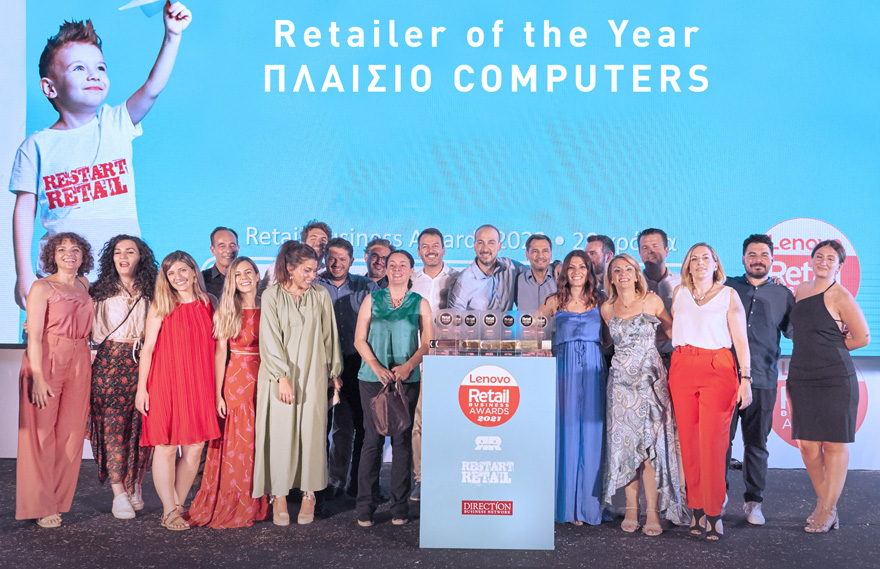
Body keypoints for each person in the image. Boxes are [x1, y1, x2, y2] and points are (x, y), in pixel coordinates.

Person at [11, 3, 192, 310]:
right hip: (62, 281)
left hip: (123, 278)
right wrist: (23, 273)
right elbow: (23, 211)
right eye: (79, 68)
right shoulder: (36, 146)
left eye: (100, 68)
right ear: (49, 87)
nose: (93, 75)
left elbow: (152, 89)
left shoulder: (115, 123)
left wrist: (172, 35)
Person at [252, 241, 343, 526]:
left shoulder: (320, 295)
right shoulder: (271, 296)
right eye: (307, 270)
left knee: (312, 435)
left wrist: (334, 372)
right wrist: (282, 377)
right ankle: (278, 494)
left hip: (314, 374)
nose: (313, 276)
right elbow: (269, 340)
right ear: (290, 268)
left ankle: (309, 494)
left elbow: (329, 335)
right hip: (279, 377)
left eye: (315, 270)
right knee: (280, 435)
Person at [668, 243, 751, 541]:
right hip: (682, 365)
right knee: (689, 443)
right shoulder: (679, 293)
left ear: (716, 264)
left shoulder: (729, 295)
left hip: (717, 367)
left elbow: (740, 339)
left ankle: (714, 511)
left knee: (714, 444)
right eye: (694, 259)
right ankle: (697, 508)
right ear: (687, 266)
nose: (700, 262)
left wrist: (746, 378)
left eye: (706, 258)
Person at [787, 240, 870, 533]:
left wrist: (829, 349)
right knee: (807, 446)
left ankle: (827, 508)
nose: (824, 261)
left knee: (834, 444)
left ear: (839, 265)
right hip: (801, 376)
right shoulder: (800, 290)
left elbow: (863, 338)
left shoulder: (841, 296)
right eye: (819, 256)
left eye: (831, 258)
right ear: (811, 260)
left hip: (834, 378)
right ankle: (825, 502)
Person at [600, 254, 685, 536]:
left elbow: (671, 331)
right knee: (625, 448)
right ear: (611, 277)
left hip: (649, 383)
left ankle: (652, 512)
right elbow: (610, 341)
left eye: (628, 269)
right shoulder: (607, 308)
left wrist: (647, 345)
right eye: (617, 270)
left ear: (637, 274)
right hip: (620, 386)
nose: (623, 274)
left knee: (650, 449)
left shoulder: (652, 301)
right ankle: (631, 509)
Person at [136, 251, 220, 531]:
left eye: (183, 270)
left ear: (194, 271)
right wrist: (141, 389)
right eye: (171, 273)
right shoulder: (161, 304)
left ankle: (178, 505)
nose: (178, 277)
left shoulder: (210, 302)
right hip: (165, 382)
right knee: (166, 446)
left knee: (195, 448)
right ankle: (169, 510)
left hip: (200, 383)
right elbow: (148, 349)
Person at [16, 233, 94, 528]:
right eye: (62, 249)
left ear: (83, 256)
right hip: (48, 358)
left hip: (80, 357)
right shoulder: (41, 286)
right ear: (52, 255)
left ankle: (57, 500)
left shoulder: (84, 284)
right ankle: (40, 504)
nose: (69, 253)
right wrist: (37, 376)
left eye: (75, 249)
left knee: (71, 434)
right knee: (40, 434)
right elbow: (34, 336)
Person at [189, 257, 270, 528]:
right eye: (237, 274)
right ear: (231, 281)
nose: (244, 278)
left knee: (261, 441)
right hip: (238, 380)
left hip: (267, 379)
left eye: (248, 272)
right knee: (240, 443)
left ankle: (260, 502)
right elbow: (219, 353)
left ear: (257, 276)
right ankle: (237, 502)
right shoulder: (227, 309)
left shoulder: (270, 305)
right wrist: (217, 395)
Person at [354, 250, 432, 527]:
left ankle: (400, 507)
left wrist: (409, 366)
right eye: (392, 265)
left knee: (402, 442)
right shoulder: (371, 300)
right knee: (372, 441)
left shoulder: (420, 303)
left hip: (405, 381)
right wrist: (376, 366)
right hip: (372, 379)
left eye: (403, 265)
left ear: (411, 270)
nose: (397, 268)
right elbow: (359, 339)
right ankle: (365, 506)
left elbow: (427, 343)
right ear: (386, 270)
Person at [725, 234, 794, 525]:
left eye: (763, 255)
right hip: (725, 377)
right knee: (721, 443)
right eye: (752, 254)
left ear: (773, 259)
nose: (757, 260)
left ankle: (754, 502)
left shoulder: (783, 294)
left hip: (763, 379)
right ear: (743, 258)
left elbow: (794, 331)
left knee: (756, 444)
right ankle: (717, 496)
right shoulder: (726, 287)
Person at [88, 235, 157, 520]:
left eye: (130, 251)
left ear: (141, 256)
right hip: (109, 363)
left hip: (144, 363)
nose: (123, 257)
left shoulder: (153, 288)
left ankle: (135, 484)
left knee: (141, 428)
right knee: (112, 428)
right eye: (118, 252)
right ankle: (118, 493)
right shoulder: (99, 290)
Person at [540, 250, 606, 526]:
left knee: (592, 434)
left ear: (589, 271)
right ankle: (565, 505)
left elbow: (616, 333)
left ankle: (588, 507)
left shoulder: (601, 300)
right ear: (564, 272)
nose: (577, 271)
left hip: (593, 367)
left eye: (582, 267)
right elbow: (533, 332)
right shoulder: (554, 301)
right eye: (571, 267)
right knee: (564, 431)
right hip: (563, 368)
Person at [316, 238, 378, 499]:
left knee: (361, 426)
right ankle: (322, 486)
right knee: (320, 427)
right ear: (324, 258)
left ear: (352, 261)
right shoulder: (313, 285)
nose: (336, 263)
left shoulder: (367, 287)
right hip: (320, 364)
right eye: (332, 258)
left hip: (356, 362)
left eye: (342, 258)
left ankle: (359, 486)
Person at [409, 227, 458, 502]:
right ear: (419, 251)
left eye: (435, 245)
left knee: (450, 421)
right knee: (419, 422)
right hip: (418, 359)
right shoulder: (410, 281)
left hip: (450, 361)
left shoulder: (457, 279)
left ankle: (450, 476)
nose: (431, 250)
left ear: (444, 249)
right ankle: (421, 478)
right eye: (425, 246)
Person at [447, 225, 521, 310]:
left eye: (491, 243)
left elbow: (533, 272)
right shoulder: (462, 281)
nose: (485, 249)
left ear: (499, 246)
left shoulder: (510, 267)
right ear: (474, 246)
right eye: (480, 243)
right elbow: (454, 316)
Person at [638, 228, 680, 367]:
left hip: (676, 357)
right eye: (645, 248)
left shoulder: (682, 284)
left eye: (655, 246)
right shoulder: (633, 285)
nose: (650, 251)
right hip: (642, 360)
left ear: (666, 251)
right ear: (640, 254)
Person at [259, 220, 333, 290]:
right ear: (303, 243)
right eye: (313, 239)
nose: (318, 243)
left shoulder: (329, 272)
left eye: (323, 240)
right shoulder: (278, 267)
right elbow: (263, 294)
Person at [516, 234, 557, 311]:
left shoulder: (561, 278)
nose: (540, 256)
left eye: (545, 251)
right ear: (527, 255)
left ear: (551, 255)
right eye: (535, 251)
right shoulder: (517, 280)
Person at [201, 227, 239, 299]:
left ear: (238, 248)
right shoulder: (201, 280)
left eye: (232, 245)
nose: (228, 250)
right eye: (222, 246)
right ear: (213, 250)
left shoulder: (247, 279)